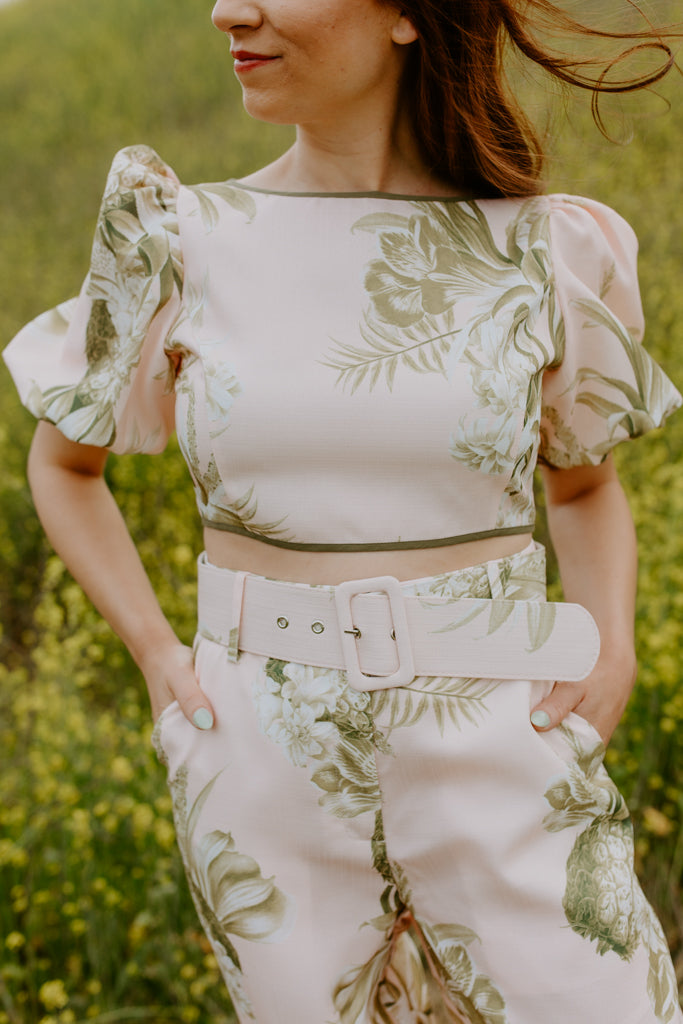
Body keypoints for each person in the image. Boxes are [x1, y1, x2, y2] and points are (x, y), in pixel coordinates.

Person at [4, 1, 683, 1021]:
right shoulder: (179, 236)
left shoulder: (543, 247)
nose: (230, 9)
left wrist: (612, 645)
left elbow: (581, 480)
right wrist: (159, 661)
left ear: (406, 14)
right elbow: (64, 465)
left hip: (501, 735)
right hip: (263, 771)